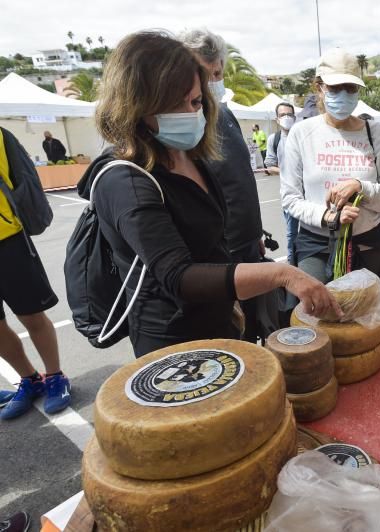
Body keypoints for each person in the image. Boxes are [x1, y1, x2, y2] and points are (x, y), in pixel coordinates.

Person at [85, 30, 338, 358]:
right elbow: (180, 276)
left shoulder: (188, 152)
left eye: (195, 101)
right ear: (138, 105)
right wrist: (282, 272)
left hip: (223, 319)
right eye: (176, 104)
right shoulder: (125, 179)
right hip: (176, 345)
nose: (193, 114)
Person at [281, 48, 380, 295]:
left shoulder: (373, 131)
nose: (344, 95)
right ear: (319, 88)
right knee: (314, 317)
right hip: (316, 245)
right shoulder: (302, 133)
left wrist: (361, 186)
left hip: (368, 245)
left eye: (351, 88)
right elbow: (290, 199)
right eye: (335, 88)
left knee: (365, 322)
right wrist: (329, 216)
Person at [180, 28, 273, 342]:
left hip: (245, 245)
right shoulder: (186, 123)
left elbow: (239, 180)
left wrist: (254, 233)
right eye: (202, 73)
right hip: (217, 254)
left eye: (216, 73)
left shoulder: (224, 113)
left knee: (252, 328)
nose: (211, 81)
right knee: (231, 336)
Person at [0, 127, 70, 420]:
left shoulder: (2, 136)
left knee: (31, 315)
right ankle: (29, 380)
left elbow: (24, 181)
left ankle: (55, 377)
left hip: (8, 240)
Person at [265, 101, 299, 266]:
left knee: (313, 232)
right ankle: (293, 265)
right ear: (277, 119)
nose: (286, 117)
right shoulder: (274, 139)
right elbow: (269, 165)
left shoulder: (302, 136)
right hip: (289, 194)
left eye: (289, 114)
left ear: (295, 117)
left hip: (309, 194)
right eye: (282, 115)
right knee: (292, 233)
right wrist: (286, 171)